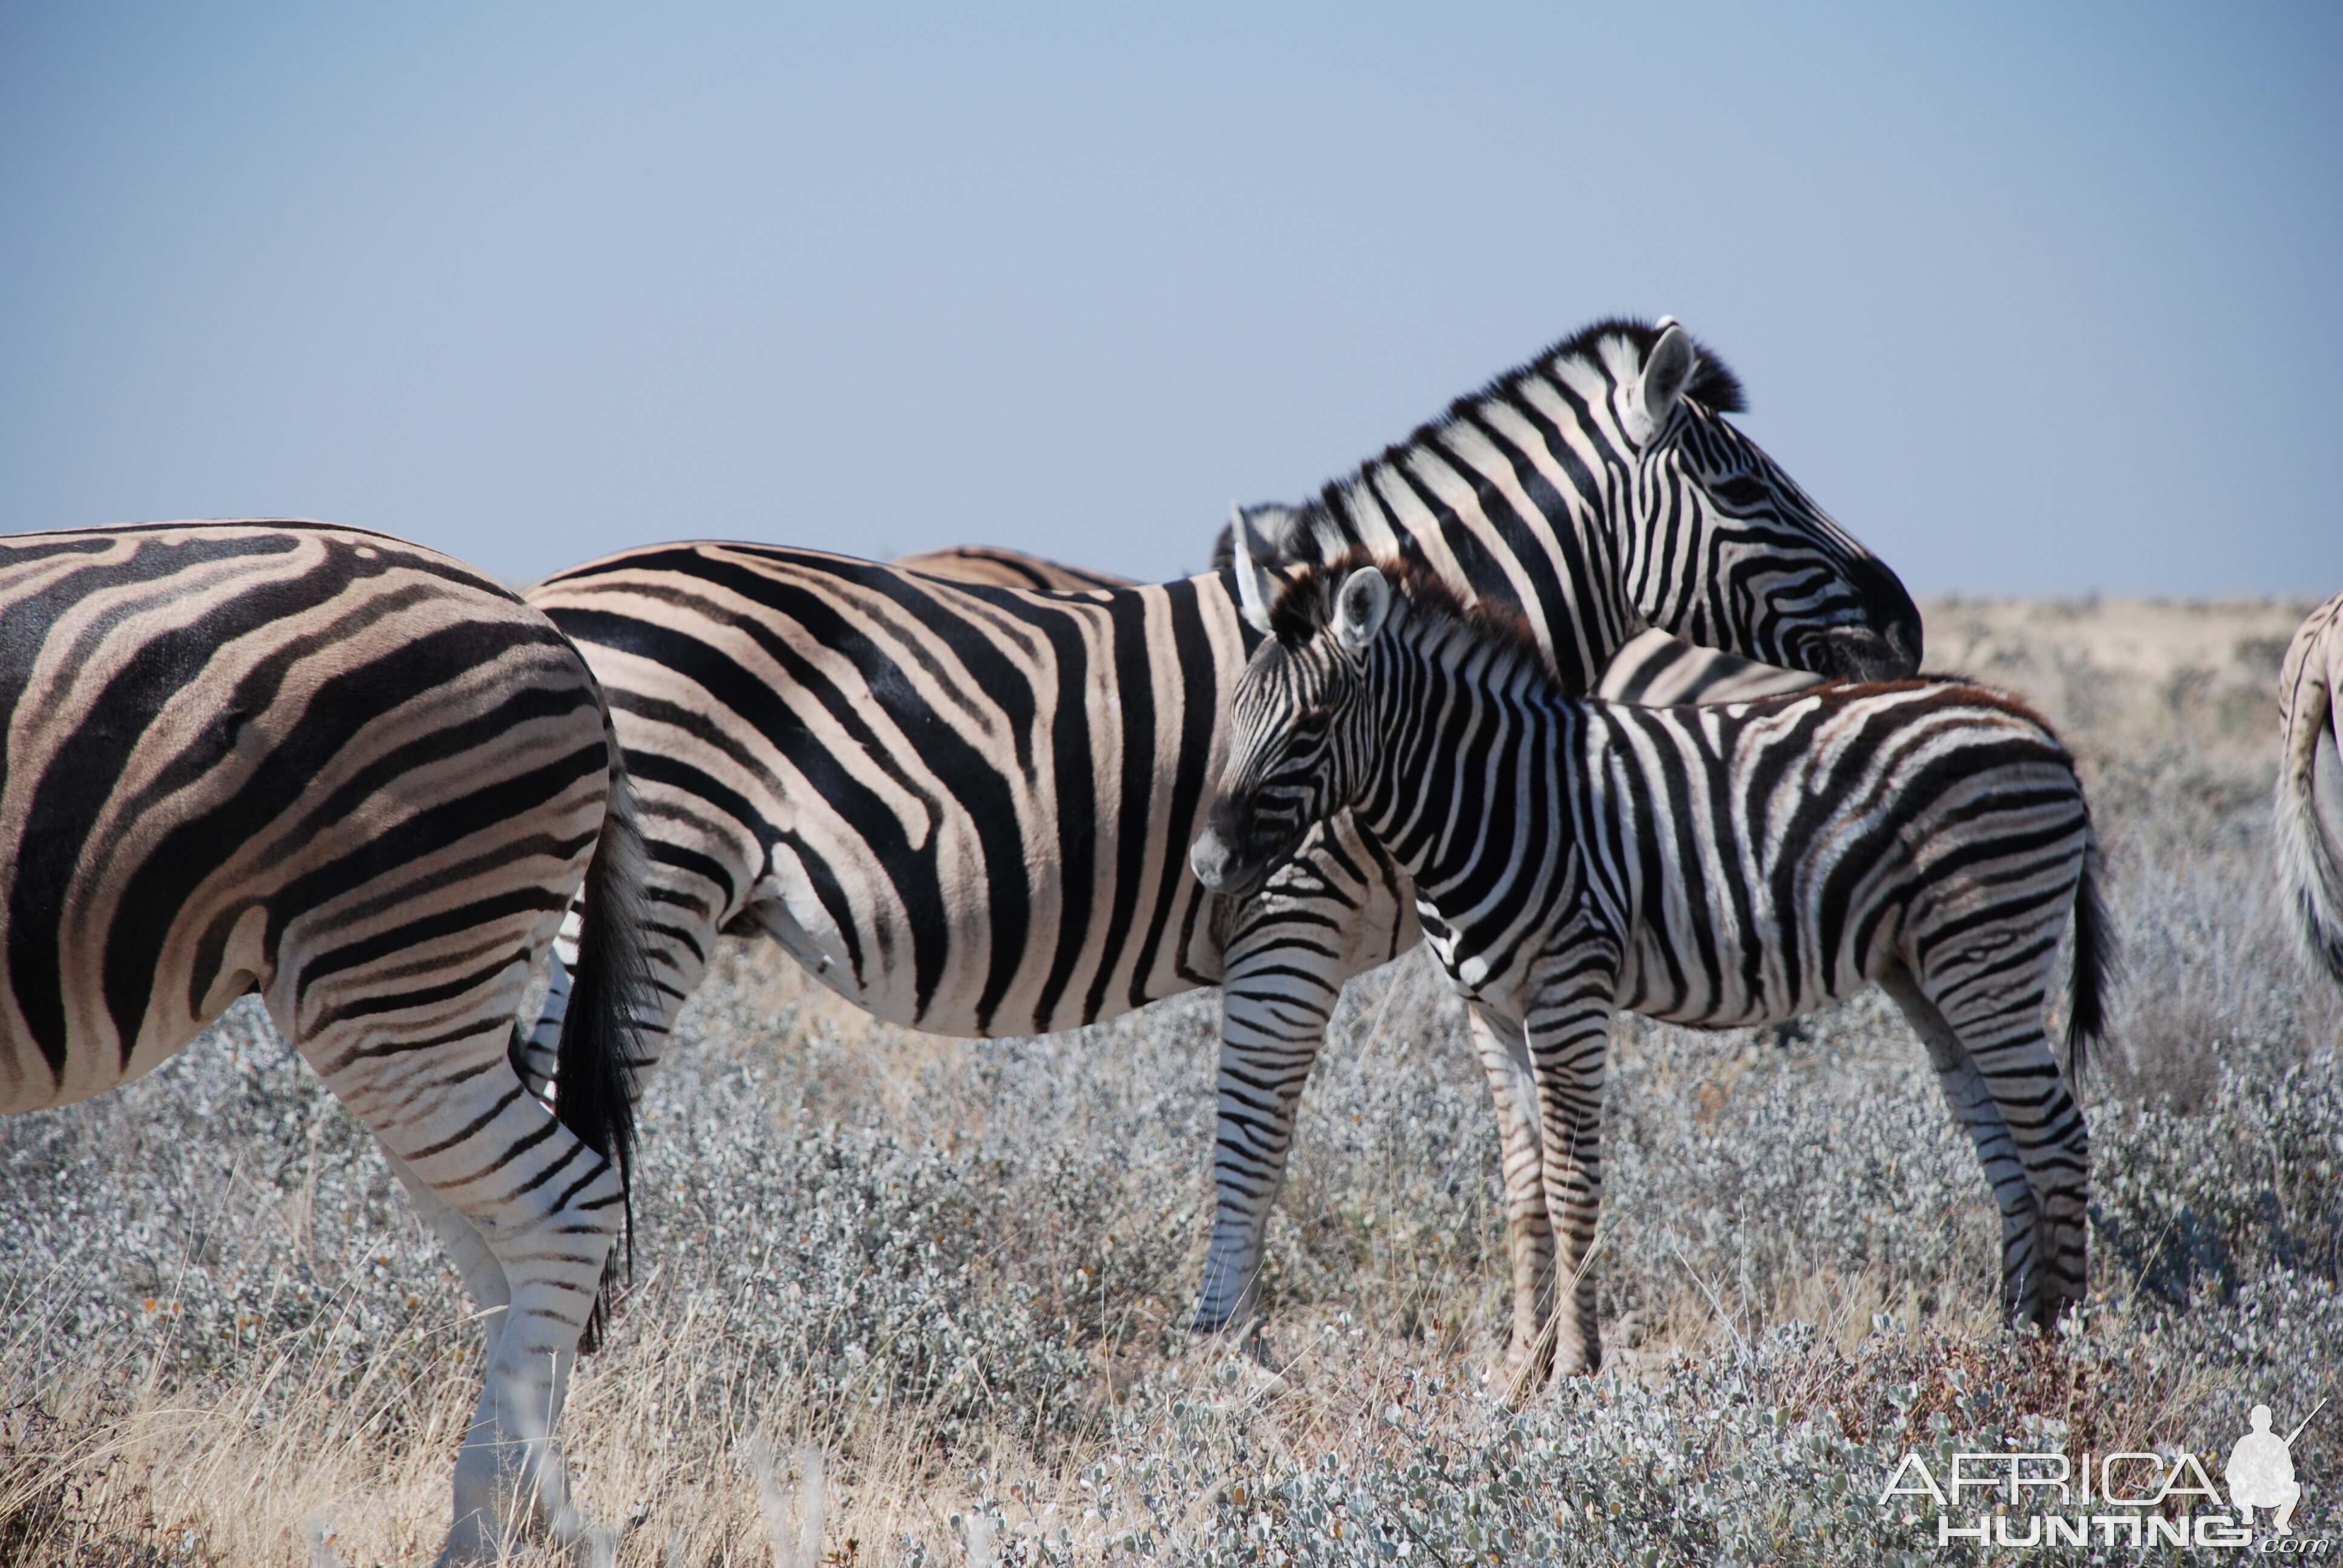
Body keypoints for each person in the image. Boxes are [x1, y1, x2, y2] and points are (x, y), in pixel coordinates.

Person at [2226, 1404, 2301, 1534]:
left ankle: (2281, 1523)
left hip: (2271, 1490)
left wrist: (2275, 1475)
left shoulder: (2278, 1444)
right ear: (2252, 1422)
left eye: (2264, 1421)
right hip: (2249, 1491)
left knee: (2294, 1488)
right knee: (2236, 1486)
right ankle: (2247, 1517)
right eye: (2258, 1421)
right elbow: (2230, 1473)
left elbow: (2290, 1473)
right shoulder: (2244, 1443)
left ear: (2270, 1423)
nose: (2261, 1425)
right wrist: (2246, 1479)